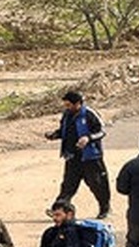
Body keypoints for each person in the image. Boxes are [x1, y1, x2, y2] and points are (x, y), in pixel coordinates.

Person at [45, 90, 111, 219]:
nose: (67, 108)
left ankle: (104, 208)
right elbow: (64, 131)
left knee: (97, 185)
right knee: (68, 186)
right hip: (72, 157)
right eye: (66, 105)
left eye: (69, 105)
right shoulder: (66, 115)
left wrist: (88, 138)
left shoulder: (89, 114)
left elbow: (102, 132)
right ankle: (58, 210)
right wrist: (54, 135)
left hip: (91, 158)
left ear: (78, 104)